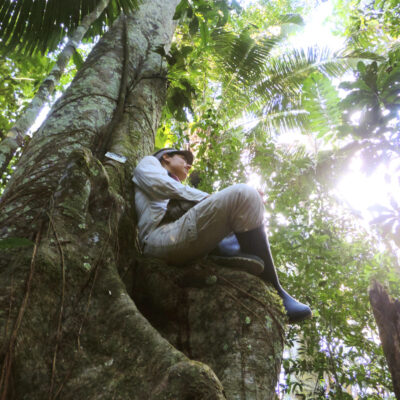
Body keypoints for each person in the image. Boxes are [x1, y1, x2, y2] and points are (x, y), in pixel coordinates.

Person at [133, 148, 311, 323]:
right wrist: (212, 198)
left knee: (248, 200)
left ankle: (228, 252)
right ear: (166, 157)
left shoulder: (178, 187)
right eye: (184, 159)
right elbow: (160, 185)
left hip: (181, 235)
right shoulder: (150, 163)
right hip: (158, 237)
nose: (188, 165)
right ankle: (275, 289)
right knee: (244, 194)